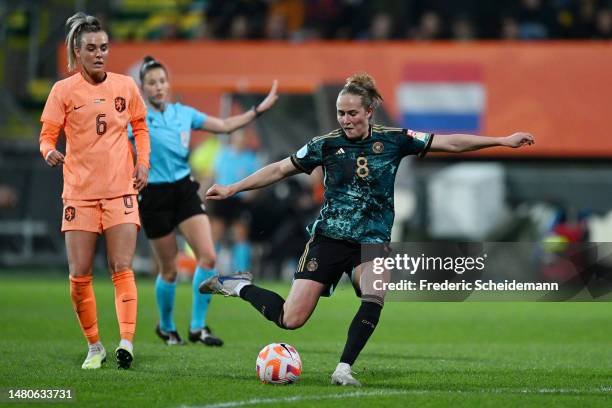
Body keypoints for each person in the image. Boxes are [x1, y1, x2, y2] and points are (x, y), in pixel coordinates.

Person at [201, 73, 535, 385]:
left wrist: (501, 140)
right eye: (340, 113)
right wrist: (233, 188)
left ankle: (343, 368)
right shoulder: (325, 145)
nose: (345, 120)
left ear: (369, 111)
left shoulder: (395, 139)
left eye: (351, 113)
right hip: (329, 238)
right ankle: (239, 285)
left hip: (372, 240)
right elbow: (278, 169)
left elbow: (450, 143)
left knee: (375, 293)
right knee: (291, 319)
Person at [134, 56, 278, 346]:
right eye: (152, 82)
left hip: (184, 190)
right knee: (169, 269)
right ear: (143, 88)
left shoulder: (183, 113)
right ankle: (166, 325)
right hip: (153, 195)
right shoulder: (136, 120)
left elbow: (225, 125)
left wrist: (258, 109)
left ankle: (198, 326)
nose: (159, 87)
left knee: (208, 256)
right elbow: (112, 146)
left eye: (162, 81)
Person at [39, 12, 150, 370]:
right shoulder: (63, 91)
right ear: (77, 50)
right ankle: (94, 345)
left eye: (103, 47)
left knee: (122, 267)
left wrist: (143, 163)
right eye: (91, 48)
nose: (99, 54)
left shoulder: (125, 87)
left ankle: (127, 342)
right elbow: (46, 136)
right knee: (79, 273)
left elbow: (140, 127)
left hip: (120, 191)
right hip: (79, 194)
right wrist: (49, 151)